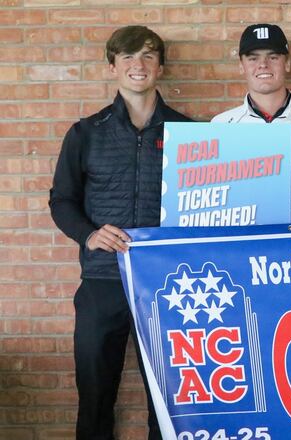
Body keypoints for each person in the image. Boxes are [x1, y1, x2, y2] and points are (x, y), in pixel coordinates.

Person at [49, 26, 191, 439]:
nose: (138, 65)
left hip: (167, 284)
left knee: (169, 400)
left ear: (161, 67)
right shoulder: (85, 133)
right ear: (112, 67)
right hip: (102, 280)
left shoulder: (189, 134)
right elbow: (62, 201)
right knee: (94, 396)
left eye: (148, 56)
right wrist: (89, 235)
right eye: (127, 57)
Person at [212, 23, 291, 124]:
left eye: (273, 57)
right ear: (241, 66)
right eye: (253, 59)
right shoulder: (221, 125)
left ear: (287, 63)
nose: (263, 64)